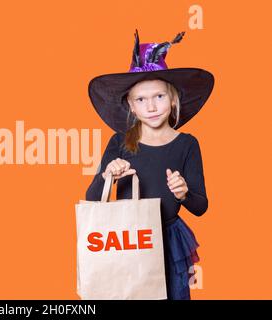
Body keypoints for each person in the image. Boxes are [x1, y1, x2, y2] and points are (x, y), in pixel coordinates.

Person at [85, 29, 215, 300]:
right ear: (131, 106)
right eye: (141, 99)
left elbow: (201, 207)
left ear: (173, 99)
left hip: (168, 240)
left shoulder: (187, 144)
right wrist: (107, 174)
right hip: (128, 240)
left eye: (159, 96)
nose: (151, 106)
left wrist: (184, 193)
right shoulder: (119, 142)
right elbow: (92, 197)